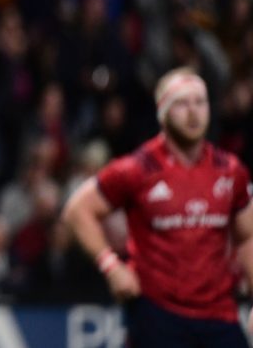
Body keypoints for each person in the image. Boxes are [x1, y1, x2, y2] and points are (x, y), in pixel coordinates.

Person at [63, 67, 253, 348]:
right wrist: (111, 265)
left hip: (218, 313)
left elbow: (248, 236)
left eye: (200, 102)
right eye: (182, 103)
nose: (193, 112)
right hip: (157, 313)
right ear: (162, 112)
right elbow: (77, 210)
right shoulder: (136, 169)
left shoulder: (231, 171)